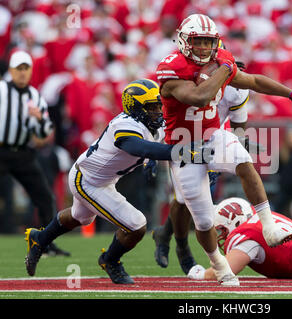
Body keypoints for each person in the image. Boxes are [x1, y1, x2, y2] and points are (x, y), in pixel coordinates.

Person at [155, 13, 292, 286]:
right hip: (182, 146)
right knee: (203, 220)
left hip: (213, 134)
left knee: (243, 160)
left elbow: (252, 82)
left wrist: (290, 93)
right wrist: (225, 71)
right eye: (198, 42)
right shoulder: (172, 68)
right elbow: (199, 96)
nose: (204, 48)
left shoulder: (222, 64)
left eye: (208, 42)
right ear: (184, 41)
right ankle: (218, 264)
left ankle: (269, 226)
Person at [24, 79, 212, 284]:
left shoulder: (149, 123)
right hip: (87, 180)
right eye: (152, 107)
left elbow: (152, 144)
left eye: (159, 106)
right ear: (136, 108)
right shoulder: (124, 126)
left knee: (81, 217)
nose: (158, 111)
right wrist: (184, 153)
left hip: (101, 178)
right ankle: (110, 260)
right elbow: (141, 148)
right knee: (136, 224)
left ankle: (39, 239)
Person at [152, 55, 251, 275]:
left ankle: (166, 235)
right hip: (184, 139)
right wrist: (154, 147)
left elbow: (238, 124)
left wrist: (240, 146)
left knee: (199, 198)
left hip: (215, 139)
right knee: (184, 196)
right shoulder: (188, 79)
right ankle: (181, 245)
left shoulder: (237, 87)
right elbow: (168, 114)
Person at [0, 50, 69, 255]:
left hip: (23, 153)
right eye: (18, 69)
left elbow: (45, 131)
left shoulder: (35, 95)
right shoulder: (2, 90)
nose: (22, 73)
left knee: (45, 197)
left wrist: (39, 119)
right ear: (11, 71)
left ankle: (46, 243)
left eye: (25, 69)